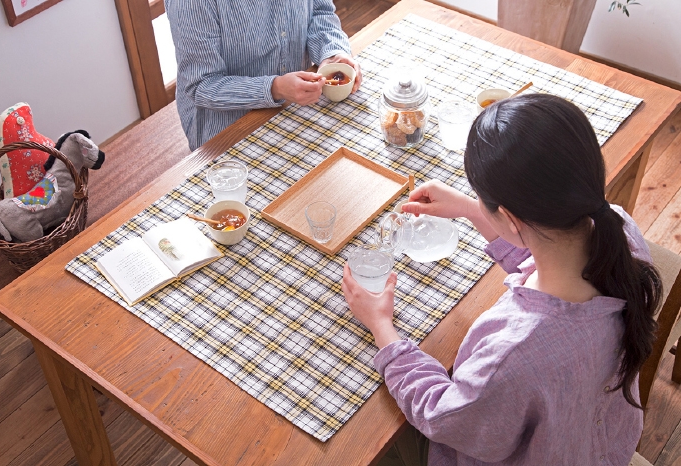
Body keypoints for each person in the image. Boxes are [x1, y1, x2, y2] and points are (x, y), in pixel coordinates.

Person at [342, 94, 662, 465]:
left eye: (483, 198)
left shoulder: (516, 349)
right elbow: (552, 255)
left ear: (511, 218)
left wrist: (382, 328)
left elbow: (442, 414)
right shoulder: (619, 228)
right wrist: (472, 209)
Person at [165, 0, 362, 151]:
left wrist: (332, 52)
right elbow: (201, 85)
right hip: (228, 129)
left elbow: (320, 11)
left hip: (297, 107)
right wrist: (275, 88)